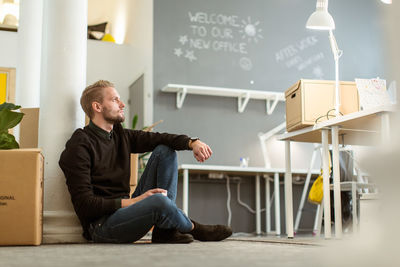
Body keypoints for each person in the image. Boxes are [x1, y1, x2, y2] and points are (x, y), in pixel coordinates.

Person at [59, 80, 232, 243]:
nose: (122, 104)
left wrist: (192, 142)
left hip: (125, 210)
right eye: (115, 100)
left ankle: (165, 231)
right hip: (101, 226)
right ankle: (193, 227)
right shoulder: (79, 144)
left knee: (165, 150)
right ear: (97, 107)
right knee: (159, 201)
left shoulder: (120, 136)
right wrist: (135, 202)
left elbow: (160, 138)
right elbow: (85, 204)